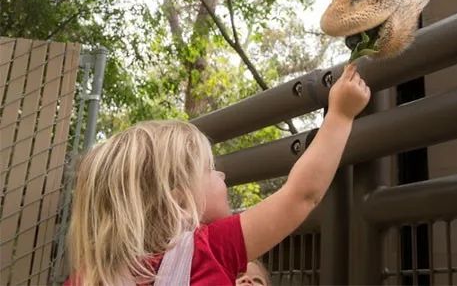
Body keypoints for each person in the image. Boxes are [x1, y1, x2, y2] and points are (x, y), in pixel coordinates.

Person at [65, 63, 370, 285]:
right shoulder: (207, 251)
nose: (222, 176)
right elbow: (301, 195)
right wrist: (340, 115)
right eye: (210, 170)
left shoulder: (85, 278)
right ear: (180, 202)